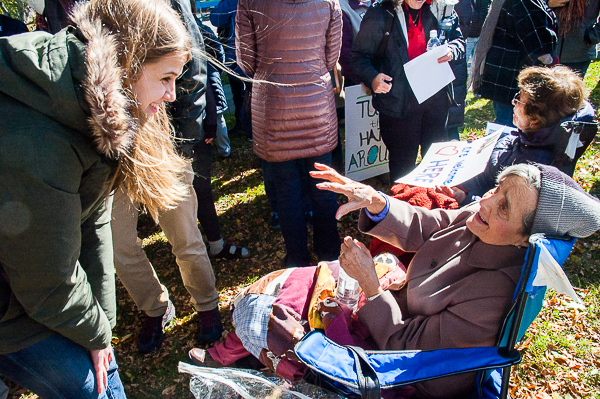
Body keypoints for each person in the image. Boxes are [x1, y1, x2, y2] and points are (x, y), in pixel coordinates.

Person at [189, 162, 600, 398]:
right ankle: (246, 350)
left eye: (504, 205)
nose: (487, 200)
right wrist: (377, 202)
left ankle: (247, 352)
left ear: (528, 238)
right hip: (390, 311)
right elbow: (432, 223)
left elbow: (408, 354)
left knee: (260, 312)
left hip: (404, 378)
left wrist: (370, 286)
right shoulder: (484, 221)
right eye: (495, 188)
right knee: (297, 284)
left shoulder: (496, 291)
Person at [0, 0, 194, 396]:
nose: (173, 95)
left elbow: (94, 217)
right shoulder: (41, 135)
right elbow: (48, 280)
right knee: (97, 389)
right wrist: (95, 333)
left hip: (32, 287)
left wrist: (100, 326)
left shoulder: (93, 105)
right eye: (166, 78)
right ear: (129, 62)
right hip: (16, 300)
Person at [111, 0, 225, 355]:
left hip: (164, 139)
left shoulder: (169, 5)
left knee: (185, 236)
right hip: (111, 146)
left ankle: (207, 306)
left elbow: (191, 69)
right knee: (117, 244)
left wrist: (185, 141)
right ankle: (154, 308)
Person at [235, 0, 343, 267]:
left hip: (274, 108)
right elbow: (331, 58)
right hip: (316, 107)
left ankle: (297, 257)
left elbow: (246, 62)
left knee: (286, 191)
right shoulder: (330, 1)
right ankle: (329, 252)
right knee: (324, 185)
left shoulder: (249, 1)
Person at [351, 0, 465, 182]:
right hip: (399, 107)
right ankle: (403, 209)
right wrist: (373, 77)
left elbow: (459, 40)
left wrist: (452, 49)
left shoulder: (442, 7)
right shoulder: (381, 13)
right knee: (402, 171)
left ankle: (435, 208)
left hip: (435, 101)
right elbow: (358, 57)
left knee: (436, 166)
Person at [448, 65, 597, 204]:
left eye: (519, 99)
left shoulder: (530, 170)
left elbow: (504, 211)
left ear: (535, 119)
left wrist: (464, 198)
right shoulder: (536, 137)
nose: (514, 102)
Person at [471, 0, 557, 126]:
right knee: (510, 125)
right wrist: (549, 60)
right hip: (511, 75)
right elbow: (534, 38)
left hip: (504, 73)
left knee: (506, 120)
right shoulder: (521, 2)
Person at [549, 0, 600, 78]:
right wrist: (548, 3)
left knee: (572, 88)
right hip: (547, 48)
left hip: (578, 52)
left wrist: (592, 37)